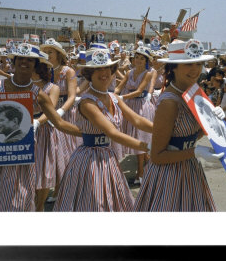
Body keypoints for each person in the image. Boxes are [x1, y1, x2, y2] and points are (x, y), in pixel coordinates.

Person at [53, 44, 153, 212]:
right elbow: (112, 132)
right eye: (98, 69)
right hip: (90, 159)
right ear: (89, 74)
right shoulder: (87, 102)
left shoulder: (114, 97)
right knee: (94, 202)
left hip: (107, 155)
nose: (104, 73)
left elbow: (136, 120)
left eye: (107, 68)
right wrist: (149, 146)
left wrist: (163, 130)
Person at [132, 39, 225, 212]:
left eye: (198, 63)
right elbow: (157, 156)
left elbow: (191, 134)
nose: (195, 69)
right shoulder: (169, 102)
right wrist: (195, 151)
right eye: (188, 64)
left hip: (189, 169)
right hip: (169, 175)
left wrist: (214, 121)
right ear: (173, 67)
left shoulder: (194, 91)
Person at [0, 43, 82, 212]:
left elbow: (58, 122)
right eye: (21, 59)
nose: (25, 63)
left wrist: (90, 132)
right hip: (0, 153)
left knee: (22, 196)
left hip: (26, 150)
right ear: (14, 61)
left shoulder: (39, 94)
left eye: (30, 60)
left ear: (35, 65)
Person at [40, 38, 78, 201]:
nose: (48, 55)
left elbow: (72, 95)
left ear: (59, 54)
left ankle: (60, 190)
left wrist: (61, 111)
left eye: (51, 52)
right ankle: (56, 187)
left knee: (65, 151)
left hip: (66, 112)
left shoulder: (68, 71)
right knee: (52, 151)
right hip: (48, 113)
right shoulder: (43, 70)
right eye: (46, 52)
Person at [115, 46, 155, 184]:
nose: (138, 60)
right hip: (129, 105)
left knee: (140, 136)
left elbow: (138, 91)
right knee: (133, 136)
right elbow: (118, 88)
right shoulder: (128, 73)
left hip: (141, 106)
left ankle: (141, 172)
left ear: (146, 61)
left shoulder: (148, 73)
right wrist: (111, 94)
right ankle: (146, 168)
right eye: (137, 57)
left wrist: (121, 98)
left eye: (142, 58)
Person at [31, 52, 61, 211]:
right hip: (24, 130)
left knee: (43, 171)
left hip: (43, 131)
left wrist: (36, 122)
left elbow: (51, 108)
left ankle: (40, 206)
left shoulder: (53, 87)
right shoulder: (22, 84)